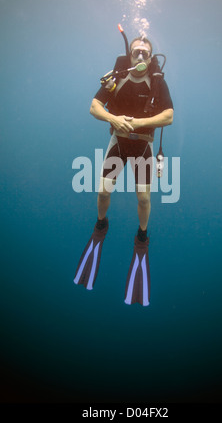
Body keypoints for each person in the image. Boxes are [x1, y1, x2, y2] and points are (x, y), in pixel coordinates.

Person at [74, 34, 173, 306]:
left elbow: (169, 116)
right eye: (136, 52)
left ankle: (142, 237)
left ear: (151, 58)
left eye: (145, 54)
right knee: (103, 193)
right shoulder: (117, 78)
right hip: (118, 142)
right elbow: (94, 107)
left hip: (143, 146)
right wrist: (113, 118)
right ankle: (101, 224)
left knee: (143, 198)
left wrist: (139, 122)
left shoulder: (157, 81)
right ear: (129, 55)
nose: (140, 57)